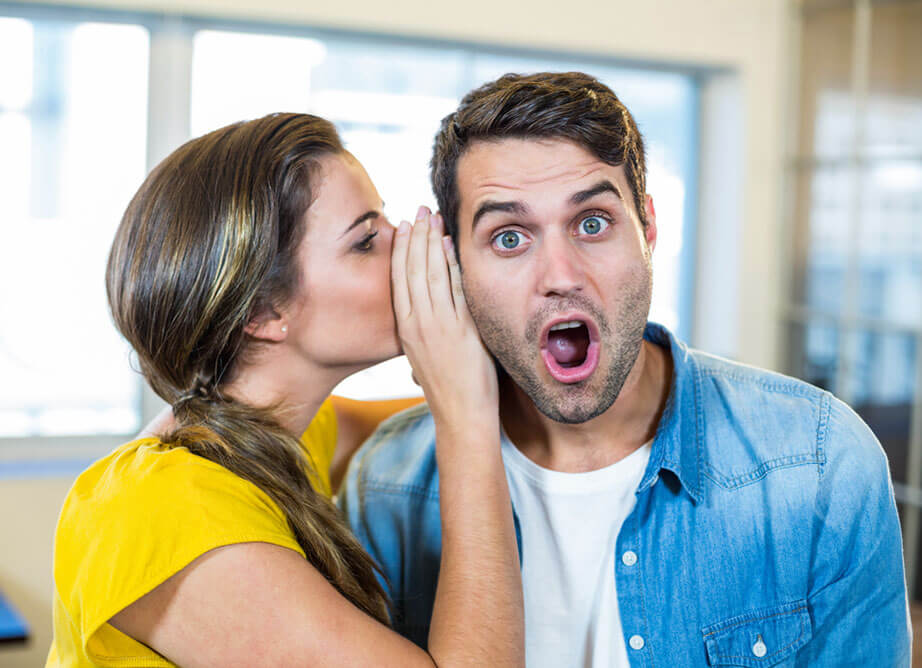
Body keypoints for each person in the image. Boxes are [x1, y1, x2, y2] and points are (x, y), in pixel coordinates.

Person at [339, 72, 913, 666]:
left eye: (592, 223)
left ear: (649, 228)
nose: (560, 275)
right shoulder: (385, 486)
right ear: (454, 265)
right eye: (509, 237)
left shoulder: (821, 465)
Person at [48, 113, 523, 667]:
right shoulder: (166, 510)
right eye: (367, 241)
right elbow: (452, 411)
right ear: (263, 312)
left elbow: (392, 421)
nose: (412, 246)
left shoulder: (272, 434)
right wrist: (465, 418)